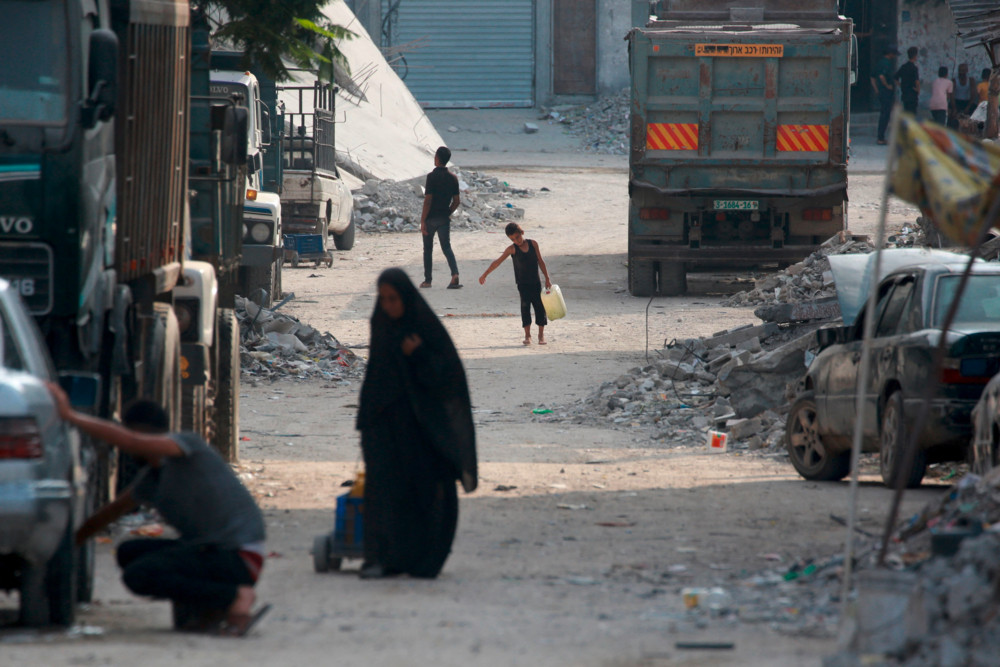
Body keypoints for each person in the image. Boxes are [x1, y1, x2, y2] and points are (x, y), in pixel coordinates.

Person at [47, 386, 269, 636]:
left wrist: (71, 416)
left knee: (139, 575)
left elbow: (129, 441)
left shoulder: (187, 447)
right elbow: (108, 514)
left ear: (142, 433)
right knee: (129, 552)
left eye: (130, 436)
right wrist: (59, 552)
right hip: (213, 552)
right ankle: (206, 609)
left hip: (238, 556)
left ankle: (235, 596)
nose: (127, 450)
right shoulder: (152, 479)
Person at [356, 268, 477, 579]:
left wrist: (419, 354)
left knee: (426, 491)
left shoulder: (424, 329)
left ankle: (424, 558)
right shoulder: (380, 324)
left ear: (405, 298)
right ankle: (384, 558)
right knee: (384, 491)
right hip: (383, 424)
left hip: (420, 428)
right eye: (383, 299)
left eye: (393, 299)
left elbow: (447, 376)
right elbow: (378, 376)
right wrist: (368, 420)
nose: (388, 306)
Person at [478, 222, 552, 346]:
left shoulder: (533, 244)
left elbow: (541, 261)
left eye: (517, 237)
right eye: (512, 239)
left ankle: (541, 335)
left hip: (536, 282)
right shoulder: (512, 249)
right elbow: (497, 262)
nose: (516, 241)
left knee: (539, 307)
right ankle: (527, 335)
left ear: (522, 233)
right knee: (525, 307)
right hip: (522, 285)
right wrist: (485, 274)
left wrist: (547, 278)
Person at [420, 146, 462, 289]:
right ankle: (454, 274)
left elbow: (428, 200)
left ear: (437, 158)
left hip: (430, 218)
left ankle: (428, 281)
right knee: (446, 247)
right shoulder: (453, 178)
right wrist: (447, 212)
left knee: (428, 250)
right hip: (444, 219)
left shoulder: (431, 177)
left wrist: (423, 220)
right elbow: (457, 201)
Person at [872, 46, 898, 145]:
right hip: (886, 93)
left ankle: (881, 137)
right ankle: (880, 138)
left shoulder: (879, 63)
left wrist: (877, 90)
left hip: (882, 93)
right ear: (890, 53)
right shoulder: (886, 63)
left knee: (884, 114)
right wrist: (887, 86)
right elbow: (881, 76)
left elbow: (872, 77)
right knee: (885, 115)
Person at [895, 47, 920, 115]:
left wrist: (901, 85)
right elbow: (917, 81)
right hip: (912, 95)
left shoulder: (903, 67)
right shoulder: (914, 68)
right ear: (915, 56)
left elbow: (895, 78)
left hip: (905, 95)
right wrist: (918, 90)